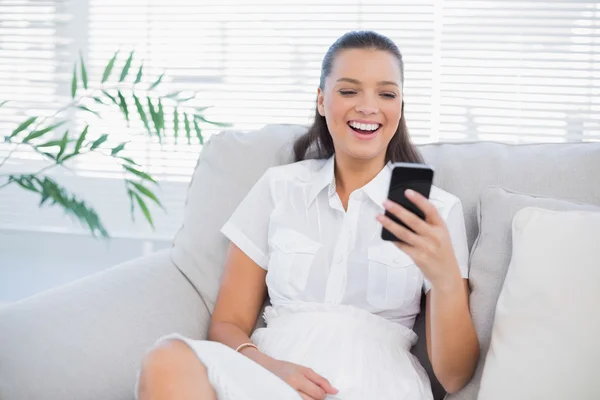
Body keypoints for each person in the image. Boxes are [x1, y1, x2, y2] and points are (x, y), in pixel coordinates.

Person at [136, 30, 479, 400]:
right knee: (166, 359)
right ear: (321, 100)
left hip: (376, 384)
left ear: (400, 105)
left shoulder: (436, 210)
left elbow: (455, 376)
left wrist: (445, 281)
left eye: (386, 93)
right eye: (349, 91)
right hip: (270, 377)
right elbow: (227, 322)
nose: (368, 106)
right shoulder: (279, 188)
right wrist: (273, 368)